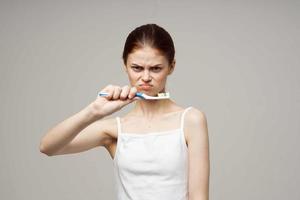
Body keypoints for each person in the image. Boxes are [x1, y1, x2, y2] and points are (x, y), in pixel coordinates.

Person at [39, 23, 210, 200]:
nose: (145, 77)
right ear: (125, 65)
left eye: (155, 68)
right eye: (137, 68)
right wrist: (94, 111)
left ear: (171, 66)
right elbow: (48, 147)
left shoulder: (191, 120)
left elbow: (199, 197)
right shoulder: (114, 129)